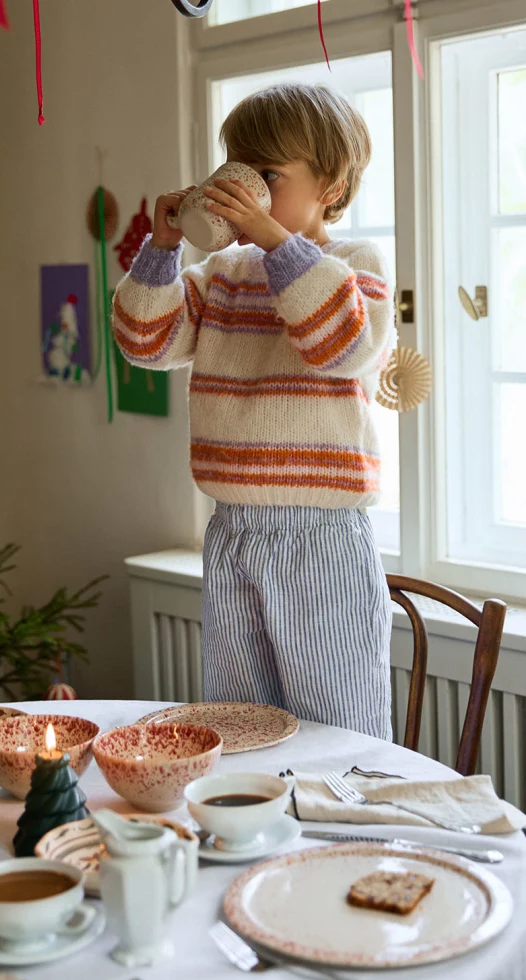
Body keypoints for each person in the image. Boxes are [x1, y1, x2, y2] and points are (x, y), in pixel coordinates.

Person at [113, 83, 395, 739]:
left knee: (340, 723)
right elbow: (143, 342)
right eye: (237, 168)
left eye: (267, 175)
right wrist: (161, 248)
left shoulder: (354, 265)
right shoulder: (222, 273)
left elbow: (341, 344)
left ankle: (340, 831)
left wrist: (273, 239)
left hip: (320, 536)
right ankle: (258, 834)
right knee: (239, 719)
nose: (245, 189)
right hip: (234, 527)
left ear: (333, 185)